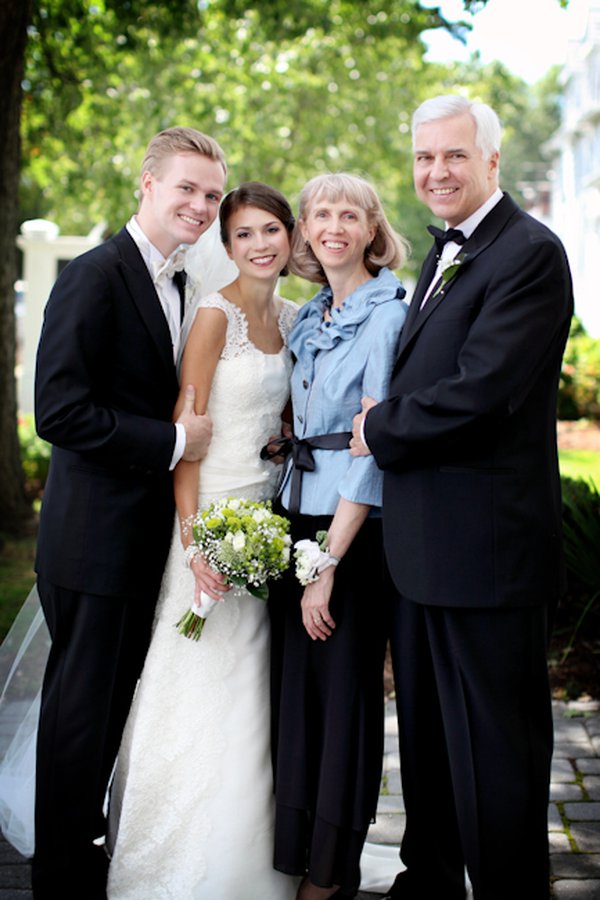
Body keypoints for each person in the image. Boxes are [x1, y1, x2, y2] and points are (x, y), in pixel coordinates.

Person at [350, 95, 574, 899]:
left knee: (498, 755)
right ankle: (430, 883)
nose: (435, 171)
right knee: (434, 750)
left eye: (452, 156)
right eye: (422, 157)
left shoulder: (529, 253)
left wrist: (380, 427)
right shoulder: (446, 254)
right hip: (421, 556)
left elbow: (482, 391)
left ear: (490, 162)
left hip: (487, 557)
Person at [32, 127, 227, 899]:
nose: (200, 206)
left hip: (141, 538)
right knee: (79, 714)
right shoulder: (95, 274)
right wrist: (174, 438)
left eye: (211, 195)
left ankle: (83, 854)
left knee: (110, 706)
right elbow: (59, 410)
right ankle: (59, 876)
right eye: (186, 188)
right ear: (146, 184)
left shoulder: (178, 282)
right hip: (92, 540)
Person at [106, 182, 299, 900]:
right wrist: (193, 544)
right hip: (209, 520)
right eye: (244, 233)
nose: (259, 244)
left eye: (271, 230)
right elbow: (187, 441)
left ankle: (249, 855)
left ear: (289, 236)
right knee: (192, 675)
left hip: (266, 523)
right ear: (227, 243)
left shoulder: (293, 316)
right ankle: (172, 859)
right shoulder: (213, 318)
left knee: (251, 688)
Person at [268, 172, 409, 900]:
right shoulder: (311, 313)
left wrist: (327, 563)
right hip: (297, 517)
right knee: (298, 698)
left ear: (371, 228)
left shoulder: (389, 311)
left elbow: (375, 442)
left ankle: (331, 873)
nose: (332, 226)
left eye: (348, 213)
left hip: (350, 531)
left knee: (344, 702)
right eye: (319, 213)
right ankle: (293, 853)